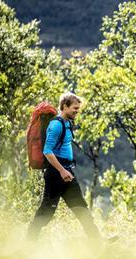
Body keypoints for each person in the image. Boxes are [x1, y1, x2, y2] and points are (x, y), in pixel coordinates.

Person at [27, 92, 101, 241]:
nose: (77, 111)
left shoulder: (68, 123)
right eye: (74, 108)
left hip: (67, 173)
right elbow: (47, 151)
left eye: (78, 108)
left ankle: (97, 243)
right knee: (46, 212)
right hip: (56, 174)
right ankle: (29, 241)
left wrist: (65, 171)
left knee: (82, 209)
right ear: (65, 106)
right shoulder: (56, 125)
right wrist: (61, 170)